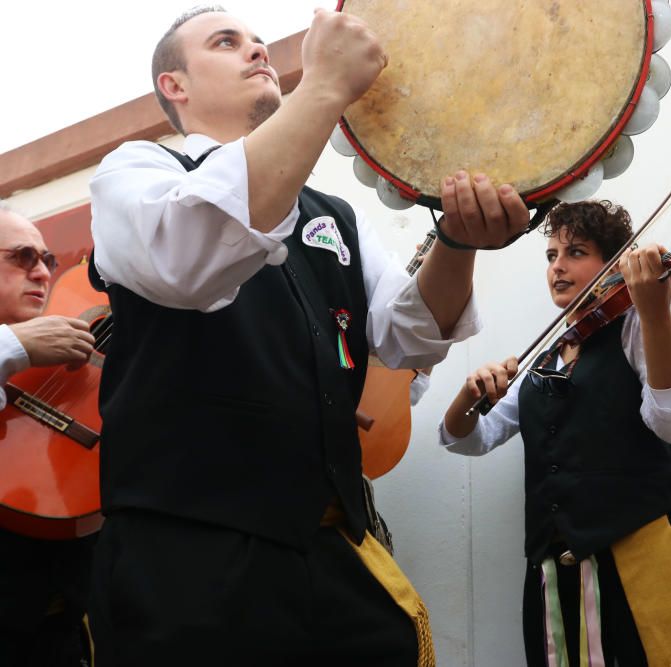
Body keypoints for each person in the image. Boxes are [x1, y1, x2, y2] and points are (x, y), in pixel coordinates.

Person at [86, 7, 529, 666]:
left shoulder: (333, 216)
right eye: (227, 42)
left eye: (262, 42)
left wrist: (457, 242)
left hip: (330, 550)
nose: (259, 51)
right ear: (174, 85)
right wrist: (322, 89)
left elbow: (409, 336)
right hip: (188, 563)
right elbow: (187, 256)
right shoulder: (136, 172)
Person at [439, 200, 671, 666]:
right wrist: (467, 395)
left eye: (575, 252)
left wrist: (655, 314)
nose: (558, 268)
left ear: (612, 264)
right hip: (553, 577)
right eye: (551, 256)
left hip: (636, 567)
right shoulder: (544, 359)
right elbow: (468, 437)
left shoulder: (634, 331)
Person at [0, 202, 97, 666]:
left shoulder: (59, 365)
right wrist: (15, 346)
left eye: (47, 260)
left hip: (61, 627)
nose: (41, 272)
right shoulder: (22, 348)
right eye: (22, 257)